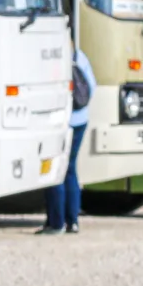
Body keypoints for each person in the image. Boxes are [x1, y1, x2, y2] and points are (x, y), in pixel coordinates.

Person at [39, 46, 96, 235]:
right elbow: (91, 86)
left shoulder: (50, 54)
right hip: (81, 119)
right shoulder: (79, 55)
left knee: (54, 169)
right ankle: (73, 221)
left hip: (58, 121)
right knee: (71, 169)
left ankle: (56, 222)